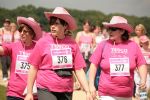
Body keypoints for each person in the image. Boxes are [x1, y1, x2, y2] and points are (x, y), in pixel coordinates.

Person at [24, 7, 92, 100]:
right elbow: (33, 67)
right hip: (45, 88)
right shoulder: (42, 42)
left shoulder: (72, 44)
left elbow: (79, 70)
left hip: (66, 90)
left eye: (56, 23)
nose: (52, 26)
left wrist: (87, 91)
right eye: (51, 23)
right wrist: (29, 92)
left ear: (65, 26)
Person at [88, 16, 147, 100]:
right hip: (106, 94)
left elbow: (141, 64)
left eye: (113, 29)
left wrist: (143, 79)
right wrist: (91, 85)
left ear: (122, 31)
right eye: (109, 29)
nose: (109, 31)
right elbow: (93, 65)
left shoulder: (133, 45)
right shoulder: (103, 45)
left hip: (127, 94)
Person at [0, 16, 42, 100]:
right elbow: (1, 49)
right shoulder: (14, 45)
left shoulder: (39, 47)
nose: (21, 33)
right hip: (14, 93)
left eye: (25, 31)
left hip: (34, 94)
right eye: (20, 30)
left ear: (32, 33)